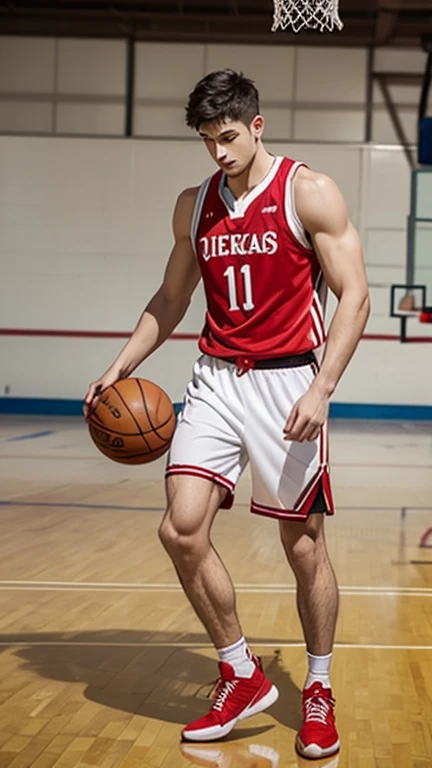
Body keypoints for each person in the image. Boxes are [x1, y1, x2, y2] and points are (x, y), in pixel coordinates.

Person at [84, 69, 370, 760]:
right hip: (216, 378)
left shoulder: (309, 191)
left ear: (258, 125)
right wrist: (121, 364)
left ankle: (320, 686)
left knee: (303, 547)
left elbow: (354, 293)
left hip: (288, 382)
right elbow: (172, 297)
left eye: (230, 136)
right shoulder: (193, 205)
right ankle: (240, 670)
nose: (219, 151)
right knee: (181, 531)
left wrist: (323, 386)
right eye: (208, 140)